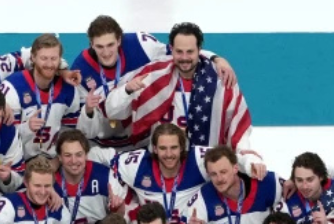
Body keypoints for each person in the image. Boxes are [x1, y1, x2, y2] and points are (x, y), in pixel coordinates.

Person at [72, 15, 235, 151]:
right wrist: (89, 110)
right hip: (103, 143)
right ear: (91, 44)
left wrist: (216, 58)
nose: (106, 53)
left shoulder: (140, 44)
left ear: (119, 40)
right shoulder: (80, 70)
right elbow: (83, 127)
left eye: (110, 45)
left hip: (139, 140)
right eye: (99, 47)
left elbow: (180, 52)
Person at [108, 23, 254, 152]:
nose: (184, 57)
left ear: (199, 50)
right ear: (171, 49)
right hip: (161, 164)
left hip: (205, 167)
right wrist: (127, 90)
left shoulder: (220, 80)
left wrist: (247, 159)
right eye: (179, 52)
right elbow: (111, 109)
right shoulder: (153, 74)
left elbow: (238, 127)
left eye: (190, 52)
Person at [110, 124, 264, 224]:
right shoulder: (137, 164)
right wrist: (127, 202)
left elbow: (228, 160)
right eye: (163, 148)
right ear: (154, 149)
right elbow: (110, 164)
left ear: (183, 147)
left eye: (174, 148)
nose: (169, 154)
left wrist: (252, 164)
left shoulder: (197, 159)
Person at [0, 34, 100, 162]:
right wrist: (27, 128)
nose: (49, 64)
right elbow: (2, 136)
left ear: (60, 60)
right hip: (19, 162)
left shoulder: (68, 89)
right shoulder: (13, 87)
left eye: (53, 58)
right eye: (44, 58)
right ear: (33, 58)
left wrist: (88, 111)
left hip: (51, 161)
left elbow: (73, 134)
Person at [182, 145, 283, 224]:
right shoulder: (203, 198)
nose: (219, 179)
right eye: (213, 174)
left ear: (235, 168)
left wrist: (291, 183)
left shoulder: (267, 183)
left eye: (223, 172)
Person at [51, 130, 113, 224]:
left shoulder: (104, 176)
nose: (74, 161)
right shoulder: (48, 183)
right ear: (59, 158)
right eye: (68, 155)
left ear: (86, 155)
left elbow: (118, 221)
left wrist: (118, 208)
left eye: (79, 154)